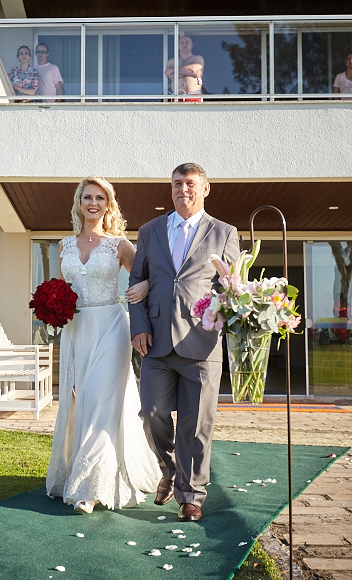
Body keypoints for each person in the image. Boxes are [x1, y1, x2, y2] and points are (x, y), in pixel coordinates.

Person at [129, 163, 241, 522]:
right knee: (151, 413)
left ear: (205, 189)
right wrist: (139, 327)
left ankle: (191, 495)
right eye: (177, 183)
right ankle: (169, 469)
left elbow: (232, 287)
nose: (183, 189)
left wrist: (232, 312)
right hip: (156, 342)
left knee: (196, 424)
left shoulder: (224, 233)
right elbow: (137, 281)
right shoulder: (150, 231)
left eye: (190, 183)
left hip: (202, 341)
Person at [46, 177, 161, 513]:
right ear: (79, 203)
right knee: (79, 403)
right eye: (87, 197)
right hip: (76, 330)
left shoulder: (119, 245)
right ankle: (82, 472)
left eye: (100, 198)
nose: (93, 203)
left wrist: (144, 287)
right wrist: (52, 308)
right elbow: (60, 289)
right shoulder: (64, 246)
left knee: (100, 402)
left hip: (111, 328)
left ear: (108, 205)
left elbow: (152, 275)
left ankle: (89, 487)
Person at [164, 36, 204, 102]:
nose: (184, 44)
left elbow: (192, 70)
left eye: (187, 42)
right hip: (176, 96)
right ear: (178, 46)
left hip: (194, 95)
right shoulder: (172, 61)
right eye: (182, 42)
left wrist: (174, 71)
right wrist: (187, 73)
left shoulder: (197, 58)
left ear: (191, 45)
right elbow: (167, 74)